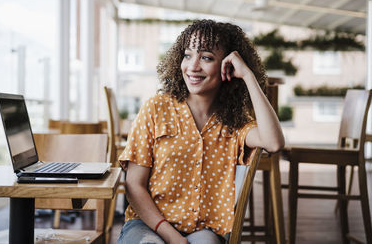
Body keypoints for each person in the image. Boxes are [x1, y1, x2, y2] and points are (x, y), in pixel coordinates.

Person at [117, 19, 285, 244]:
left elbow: (273, 143)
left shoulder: (234, 122)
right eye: (188, 55)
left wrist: (248, 76)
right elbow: (134, 185)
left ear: (227, 66)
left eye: (206, 57)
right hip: (148, 224)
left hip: (204, 230)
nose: (193, 66)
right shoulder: (155, 108)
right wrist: (174, 239)